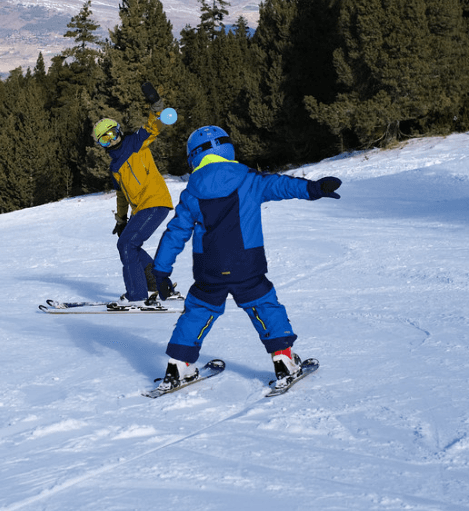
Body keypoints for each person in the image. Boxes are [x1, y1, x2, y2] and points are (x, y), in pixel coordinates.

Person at [150, 125, 342, 392]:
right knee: (264, 306)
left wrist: (161, 270)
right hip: (246, 265)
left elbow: (176, 232)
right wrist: (314, 188)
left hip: (210, 270)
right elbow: (280, 185)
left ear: (193, 156)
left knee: (198, 311)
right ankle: (284, 361)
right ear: (227, 148)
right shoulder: (248, 179)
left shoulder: (192, 192)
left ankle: (178, 366)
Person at [92, 105, 174, 303]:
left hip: (155, 201)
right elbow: (121, 194)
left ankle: (137, 296)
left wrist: (156, 108)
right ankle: (161, 286)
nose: (111, 140)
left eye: (112, 134)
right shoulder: (114, 167)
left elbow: (153, 127)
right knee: (130, 245)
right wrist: (121, 220)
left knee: (127, 244)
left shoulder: (136, 142)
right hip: (142, 209)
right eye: (105, 138)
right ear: (101, 144)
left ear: (119, 130)